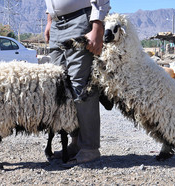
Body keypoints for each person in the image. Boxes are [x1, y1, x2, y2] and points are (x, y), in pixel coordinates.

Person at [44, 0, 110, 167]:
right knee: (62, 87)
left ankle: (90, 148)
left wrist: (97, 26)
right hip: (57, 24)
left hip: (79, 20)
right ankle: (76, 143)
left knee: (81, 86)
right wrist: (50, 20)